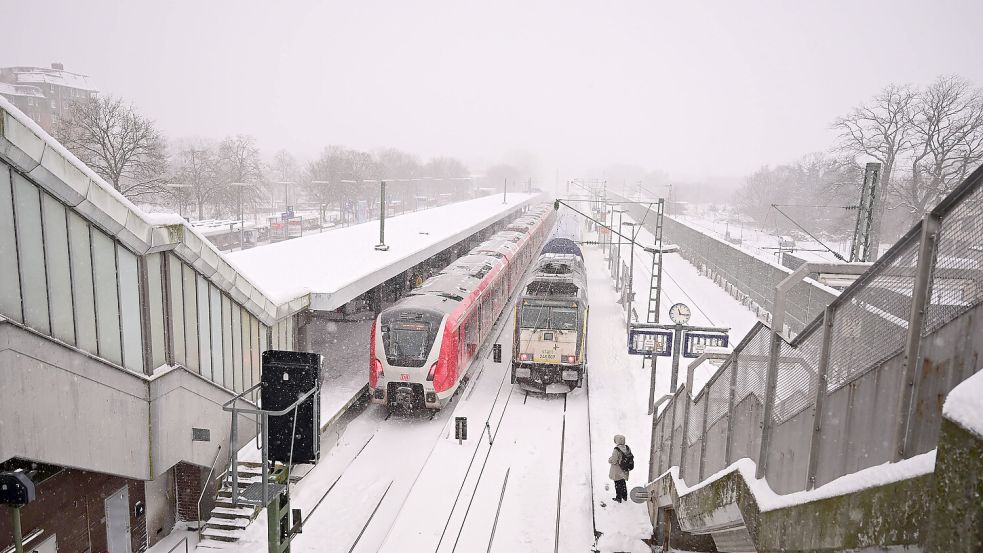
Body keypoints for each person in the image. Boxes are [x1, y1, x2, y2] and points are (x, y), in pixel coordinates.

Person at [608, 434, 631, 502]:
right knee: (623, 483)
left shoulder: (616, 449)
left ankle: (618, 498)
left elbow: (614, 461)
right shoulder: (627, 448)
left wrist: (609, 460)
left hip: (617, 470)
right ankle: (625, 496)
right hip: (624, 469)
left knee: (617, 484)